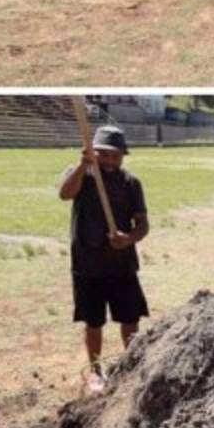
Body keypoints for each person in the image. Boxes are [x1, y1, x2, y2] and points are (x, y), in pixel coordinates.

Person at [57, 125, 150, 395]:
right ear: (93, 153)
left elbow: (143, 224)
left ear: (123, 156)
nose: (110, 161)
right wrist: (81, 166)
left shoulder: (130, 183)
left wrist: (128, 238)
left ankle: (133, 365)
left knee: (130, 319)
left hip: (122, 264)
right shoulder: (81, 177)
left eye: (115, 156)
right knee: (93, 321)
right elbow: (64, 193)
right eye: (104, 155)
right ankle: (96, 372)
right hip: (87, 264)